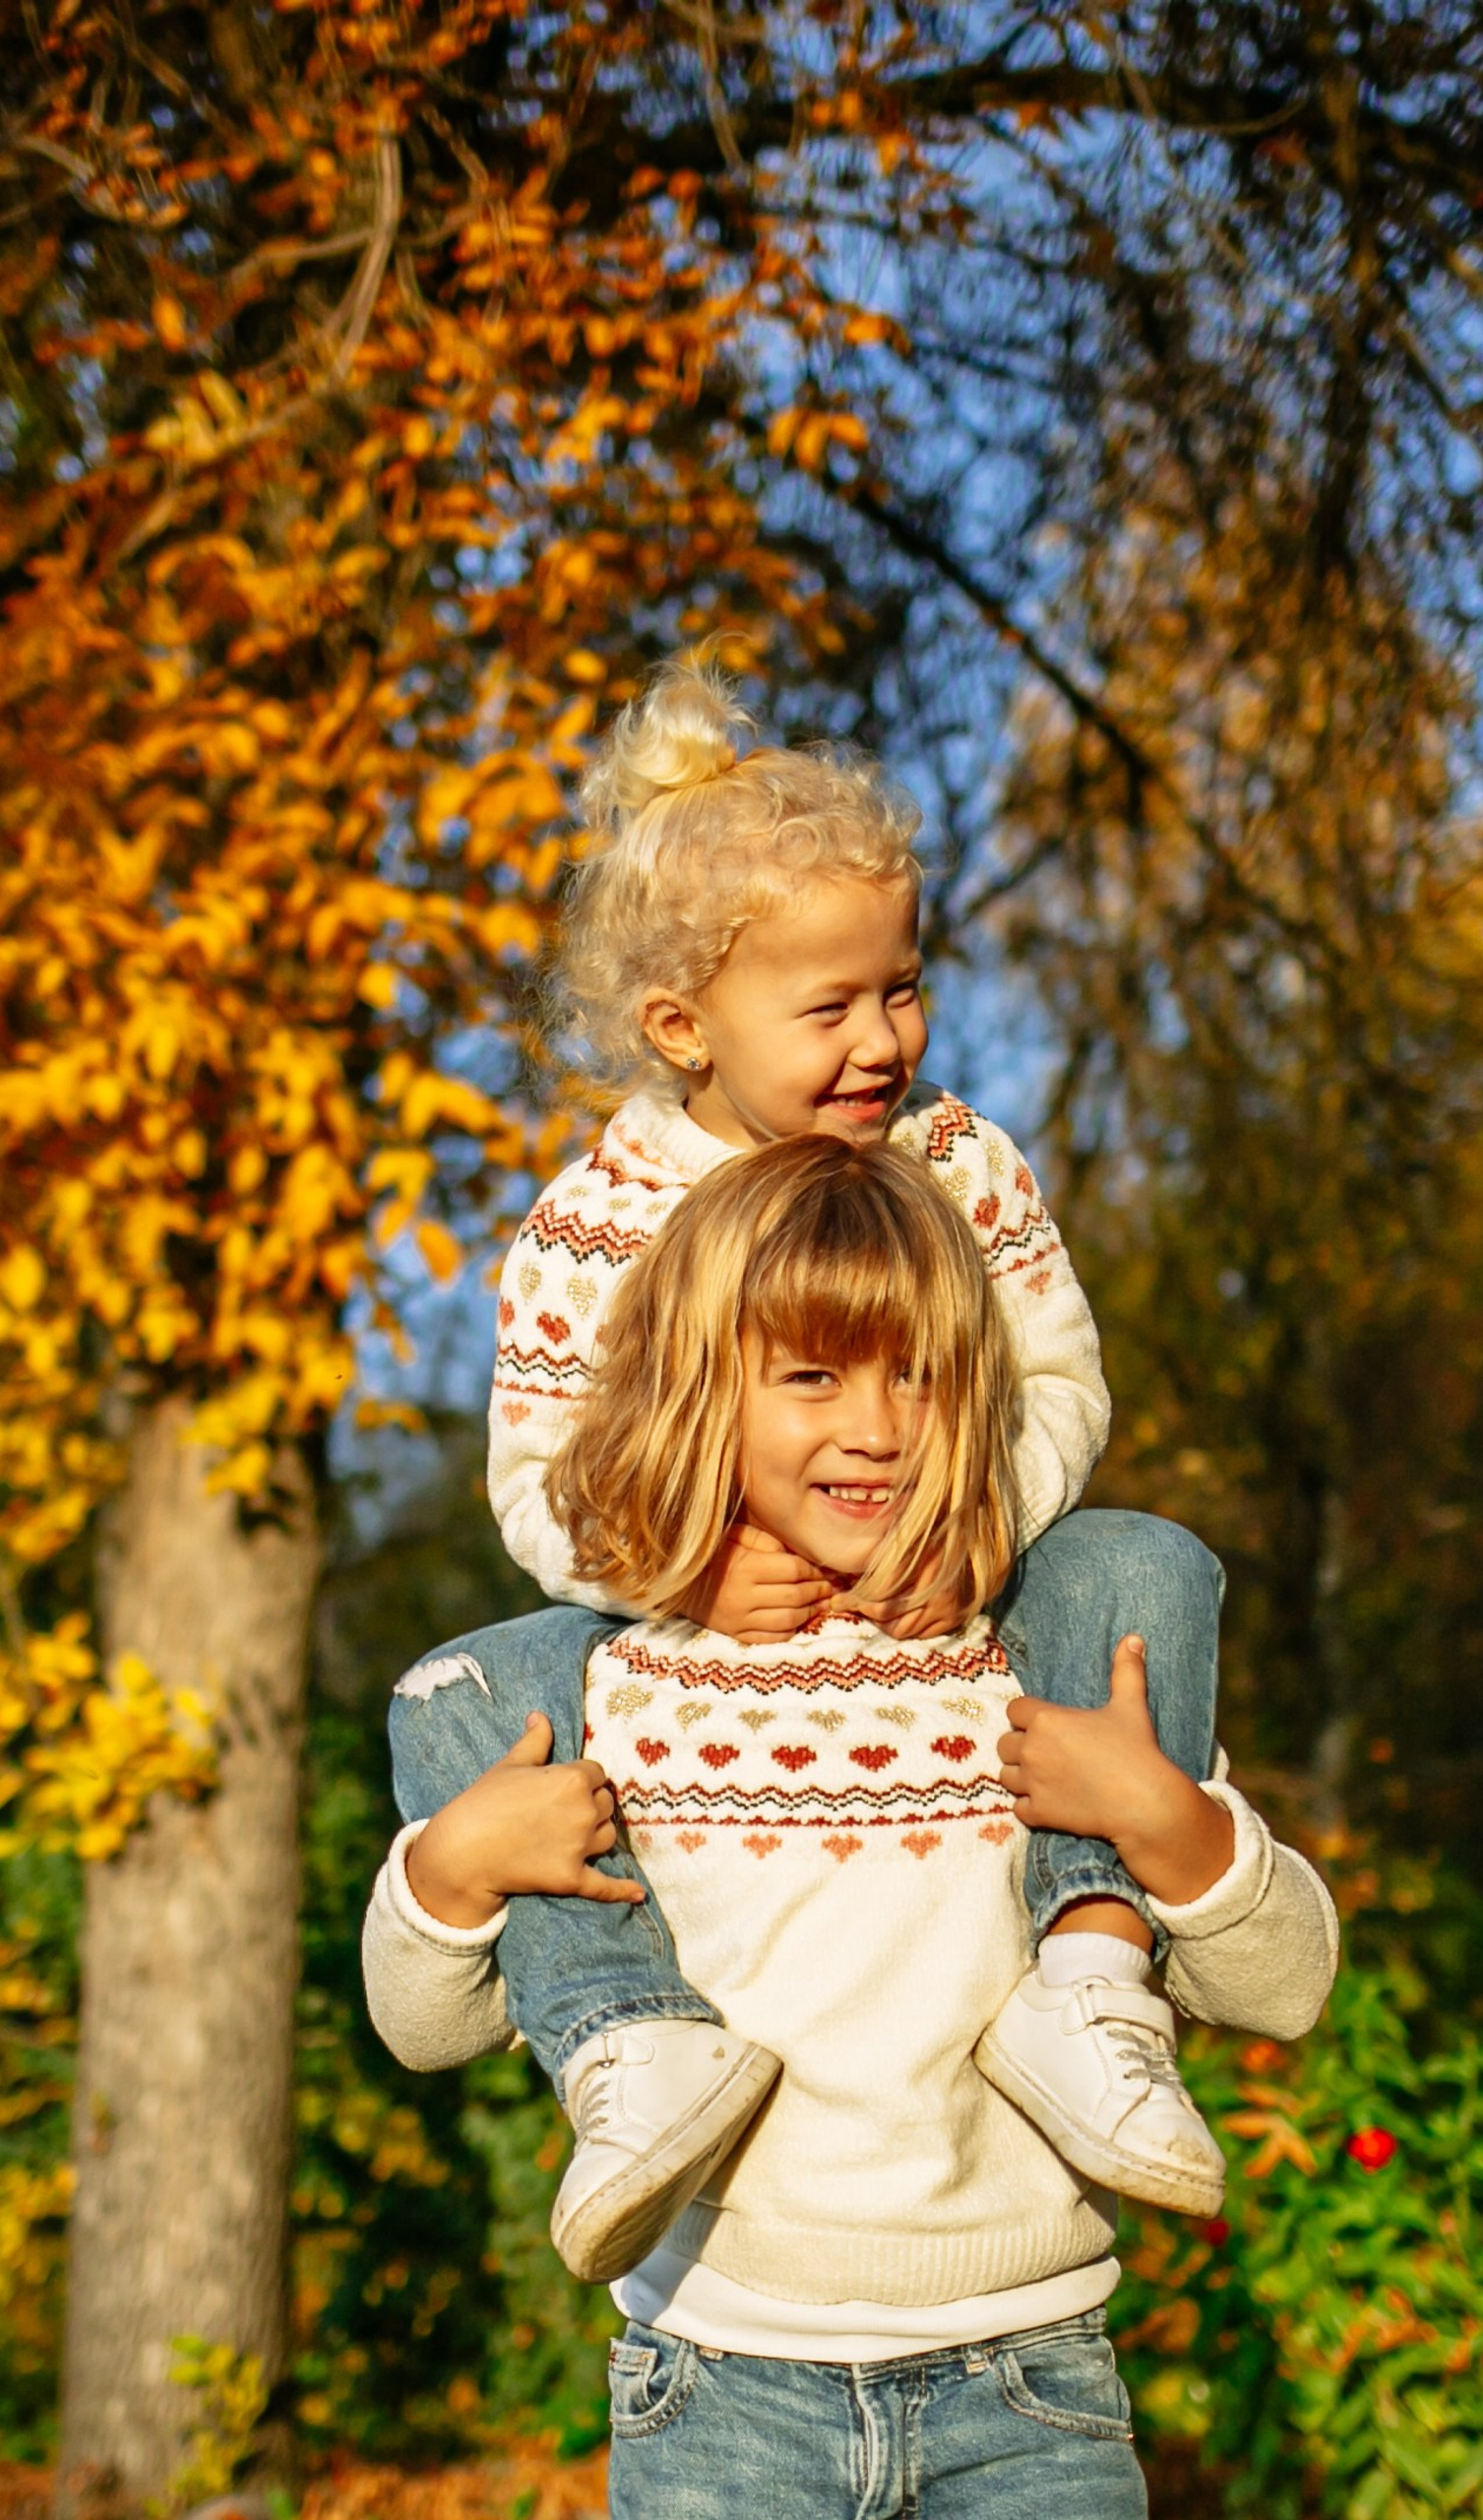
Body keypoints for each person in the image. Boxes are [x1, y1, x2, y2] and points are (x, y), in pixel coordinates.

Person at [385, 655, 1232, 2288]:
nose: (880, 1041)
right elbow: (538, 1479)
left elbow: (1058, 1373)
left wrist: (983, 1508)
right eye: (828, 1006)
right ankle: (627, 2037)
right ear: (684, 1025)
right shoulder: (597, 1225)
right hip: (712, 1621)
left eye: (902, 989)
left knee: (1141, 1567)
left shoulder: (957, 1165)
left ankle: (1089, 1962)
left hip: (950, 1578)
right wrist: (677, 1568)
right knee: (464, 1690)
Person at [363, 1139, 1337, 2516]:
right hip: (720, 2390)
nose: (876, 1428)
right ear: (703, 1394)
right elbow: (427, 2027)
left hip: (1033, 2383)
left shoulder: (1034, 1657)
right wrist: (452, 1871)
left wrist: (1163, 1819)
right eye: (811, 1375)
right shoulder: (611, 1689)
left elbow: (1285, 1984)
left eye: (919, 1375)